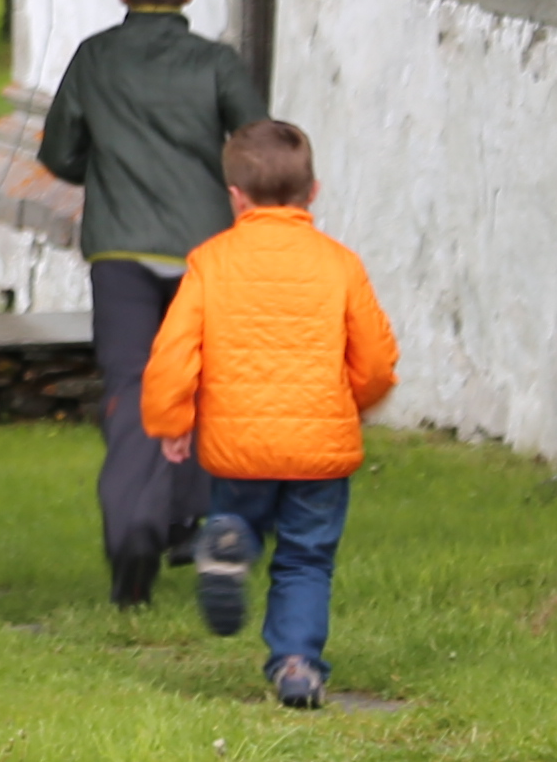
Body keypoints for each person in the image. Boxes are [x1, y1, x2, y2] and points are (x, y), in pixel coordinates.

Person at [34, 0, 266, 607]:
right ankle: (185, 521)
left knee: (133, 389)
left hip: (121, 251)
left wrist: (104, 170)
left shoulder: (95, 58)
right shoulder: (217, 64)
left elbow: (58, 153)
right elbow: (257, 147)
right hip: (204, 253)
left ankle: (132, 533)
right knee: (201, 387)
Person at [137, 116, 401, 708]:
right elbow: (378, 360)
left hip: (238, 446)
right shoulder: (340, 264)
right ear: (313, 191)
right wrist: (350, 403)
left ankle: (229, 541)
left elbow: (174, 352)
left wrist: (171, 422)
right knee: (307, 558)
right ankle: (297, 665)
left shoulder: (211, 261)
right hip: (319, 451)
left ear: (235, 196)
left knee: (242, 518)